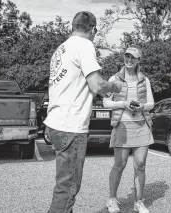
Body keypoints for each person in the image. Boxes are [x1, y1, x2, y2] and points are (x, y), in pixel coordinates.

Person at [44, 11, 122, 213]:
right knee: (67, 188)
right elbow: (97, 85)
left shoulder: (61, 48)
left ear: (73, 26)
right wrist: (114, 86)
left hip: (56, 122)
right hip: (71, 125)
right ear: (93, 29)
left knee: (64, 185)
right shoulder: (85, 45)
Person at [103, 46, 155, 213]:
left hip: (141, 126)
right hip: (122, 126)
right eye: (127, 56)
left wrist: (142, 106)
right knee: (120, 164)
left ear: (138, 59)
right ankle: (112, 199)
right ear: (123, 58)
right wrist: (123, 104)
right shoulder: (115, 78)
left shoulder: (144, 80)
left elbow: (151, 104)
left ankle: (138, 202)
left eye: (133, 57)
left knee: (140, 164)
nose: (129, 60)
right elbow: (106, 103)